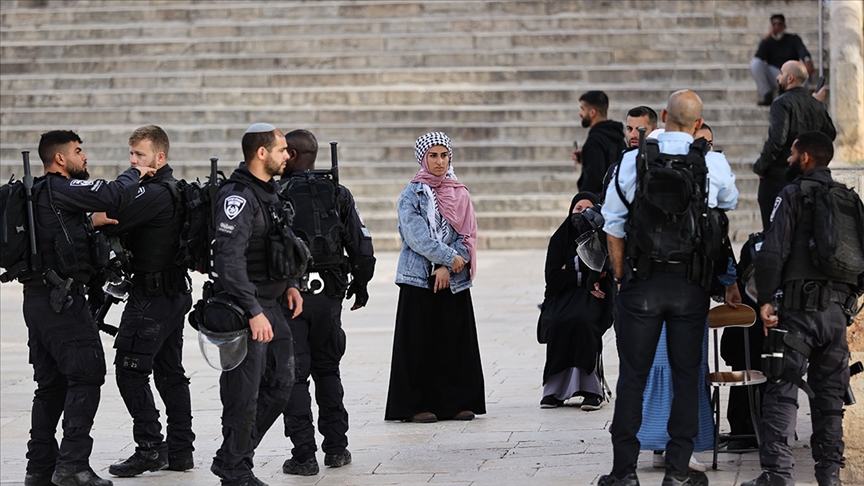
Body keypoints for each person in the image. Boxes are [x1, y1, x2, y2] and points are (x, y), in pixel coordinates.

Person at [600, 90, 739, 486]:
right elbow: (728, 200)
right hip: (689, 285)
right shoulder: (712, 162)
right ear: (699, 123)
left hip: (641, 284)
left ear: (662, 116)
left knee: (632, 377)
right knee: (685, 375)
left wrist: (623, 276)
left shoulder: (633, 160)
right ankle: (678, 471)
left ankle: (624, 471)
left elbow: (613, 226)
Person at [21, 130, 155, 486]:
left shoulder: (36, 193)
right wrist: (137, 171)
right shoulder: (61, 187)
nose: (85, 157)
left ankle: (39, 468)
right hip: (62, 303)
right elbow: (111, 194)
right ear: (61, 159)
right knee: (86, 375)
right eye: (79, 151)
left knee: (50, 385)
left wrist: (88, 223)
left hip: (37, 300)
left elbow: (58, 231)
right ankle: (72, 466)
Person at [744, 131, 861, 486]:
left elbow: (773, 252)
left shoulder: (792, 194)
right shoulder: (849, 199)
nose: (788, 160)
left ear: (806, 157)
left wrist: (765, 299)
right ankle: (829, 477)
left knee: (782, 391)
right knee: (829, 399)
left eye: (793, 154)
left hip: (797, 313)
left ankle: (778, 476)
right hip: (837, 316)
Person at [87, 126, 196, 478]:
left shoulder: (155, 193)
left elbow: (110, 211)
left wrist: (97, 213)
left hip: (152, 298)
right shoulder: (169, 189)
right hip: (169, 292)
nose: (134, 161)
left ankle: (150, 447)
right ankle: (179, 451)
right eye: (131, 155)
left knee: (130, 371)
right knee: (169, 372)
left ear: (159, 158)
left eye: (140, 155)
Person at [209, 123, 303, 486]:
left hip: (273, 304)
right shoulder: (239, 197)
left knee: (282, 384)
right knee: (243, 396)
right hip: (245, 311)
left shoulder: (270, 191)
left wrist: (291, 284)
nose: (287, 155)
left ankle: (233, 457)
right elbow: (228, 262)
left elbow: (282, 239)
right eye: (281, 150)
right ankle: (234, 467)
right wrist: (252, 311)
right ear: (261, 153)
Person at [278, 130, 376, 476]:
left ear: (289, 154)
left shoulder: (277, 194)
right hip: (330, 296)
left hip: (292, 300)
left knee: (294, 377)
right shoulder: (338, 193)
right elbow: (362, 245)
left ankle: (303, 455)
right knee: (328, 370)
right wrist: (361, 287)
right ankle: (337, 448)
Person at [639, 124, 724, 474]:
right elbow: (719, 224)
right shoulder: (701, 173)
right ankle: (679, 445)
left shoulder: (641, 172)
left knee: (660, 368)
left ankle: (661, 442)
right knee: (683, 368)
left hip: (647, 287)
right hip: (688, 286)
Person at [384, 131, 485, 423]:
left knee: (452, 341)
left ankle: (454, 403)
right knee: (419, 343)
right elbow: (416, 237)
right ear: (422, 158)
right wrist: (447, 258)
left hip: (452, 278)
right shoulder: (412, 193)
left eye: (444, 155)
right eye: (433, 156)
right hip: (419, 278)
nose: (439, 162)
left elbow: (467, 235)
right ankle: (414, 406)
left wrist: (448, 266)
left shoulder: (460, 192)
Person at [539, 192, 613, 411]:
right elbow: (552, 277)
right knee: (559, 322)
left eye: (587, 210)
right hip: (562, 297)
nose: (581, 214)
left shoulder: (603, 238)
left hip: (593, 296)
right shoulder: (559, 238)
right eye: (577, 209)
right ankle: (554, 392)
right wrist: (583, 270)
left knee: (584, 320)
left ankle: (591, 390)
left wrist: (570, 268)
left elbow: (603, 270)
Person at [753, 60, 835, 231]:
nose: (777, 77)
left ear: (789, 78)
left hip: (781, 175)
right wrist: (817, 107)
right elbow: (830, 134)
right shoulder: (815, 104)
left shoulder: (781, 103)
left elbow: (777, 140)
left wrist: (761, 167)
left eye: (781, 73)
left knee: (774, 228)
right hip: (808, 174)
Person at [750, 14, 814, 106]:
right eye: (774, 25)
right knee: (755, 63)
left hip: (791, 75)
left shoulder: (793, 39)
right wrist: (767, 37)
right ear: (771, 26)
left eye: (779, 24)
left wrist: (808, 61)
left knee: (804, 67)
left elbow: (803, 51)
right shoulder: (768, 41)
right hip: (776, 75)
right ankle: (767, 95)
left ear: (784, 26)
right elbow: (758, 57)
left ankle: (798, 96)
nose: (777, 27)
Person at [574, 90, 627, 195]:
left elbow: (594, 176)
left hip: (599, 202)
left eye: (582, 109)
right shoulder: (616, 135)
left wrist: (583, 197)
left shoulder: (595, 140)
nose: (580, 113)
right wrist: (586, 156)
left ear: (592, 112)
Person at [601, 106, 658, 202]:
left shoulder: (660, 169)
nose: (633, 135)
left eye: (640, 130)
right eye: (629, 129)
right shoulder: (615, 169)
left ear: (654, 131)